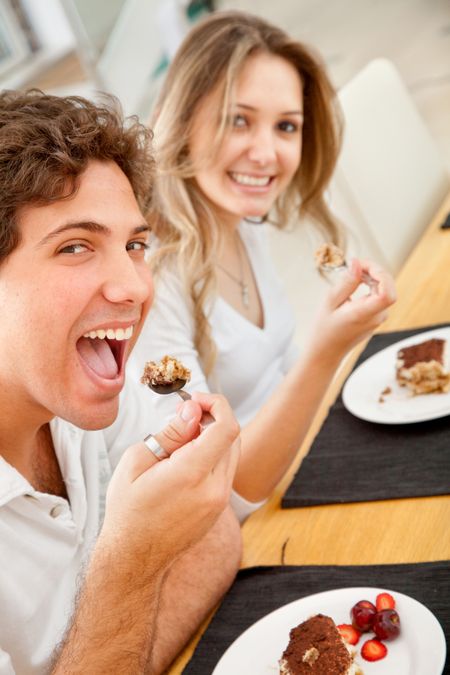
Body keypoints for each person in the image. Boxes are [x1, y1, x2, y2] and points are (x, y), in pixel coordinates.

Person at [0, 89, 242, 675]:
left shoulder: (77, 386)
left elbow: (215, 538)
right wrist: (136, 565)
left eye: (134, 245)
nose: (134, 287)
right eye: (76, 246)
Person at [127, 10, 397, 519]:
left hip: (303, 473)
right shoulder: (150, 281)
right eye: (239, 120)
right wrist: (327, 349)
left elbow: (278, 371)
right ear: (184, 120)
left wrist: (333, 336)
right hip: (252, 531)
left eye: (286, 126)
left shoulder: (238, 220)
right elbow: (222, 487)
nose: (267, 153)